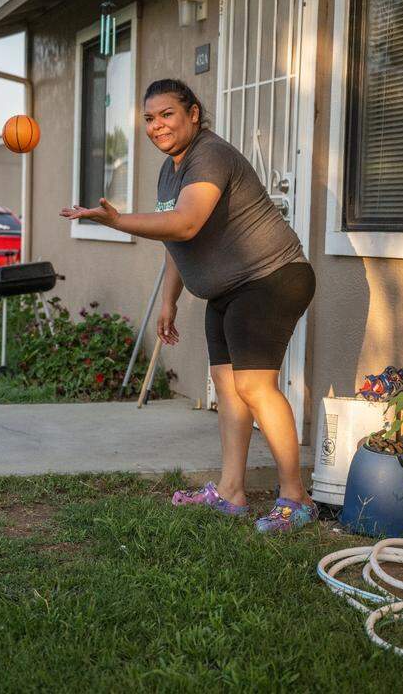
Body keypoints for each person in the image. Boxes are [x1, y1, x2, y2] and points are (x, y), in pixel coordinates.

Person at [60, 78, 317, 534]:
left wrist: (118, 220)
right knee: (228, 388)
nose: (156, 126)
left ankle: (296, 498)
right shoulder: (171, 169)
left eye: (166, 115)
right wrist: (169, 302)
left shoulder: (210, 155)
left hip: (270, 278)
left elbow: (185, 222)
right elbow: (176, 239)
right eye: (149, 118)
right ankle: (232, 492)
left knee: (256, 387)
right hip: (227, 290)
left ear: (193, 113)